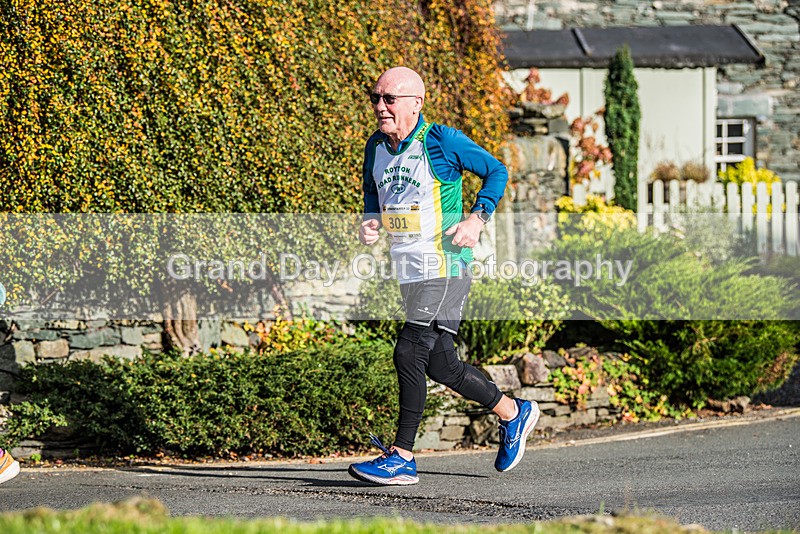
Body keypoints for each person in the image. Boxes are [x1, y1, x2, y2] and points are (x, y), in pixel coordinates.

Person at [348, 66, 539, 486]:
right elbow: (371, 190)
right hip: (410, 270)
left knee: (408, 350)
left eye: (389, 99)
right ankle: (513, 411)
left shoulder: (441, 140)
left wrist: (476, 218)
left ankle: (401, 458)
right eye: (375, 97)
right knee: (441, 365)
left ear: (415, 103)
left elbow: (497, 171)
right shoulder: (376, 147)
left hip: (446, 264)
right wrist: (370, 219)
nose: (380, 106)